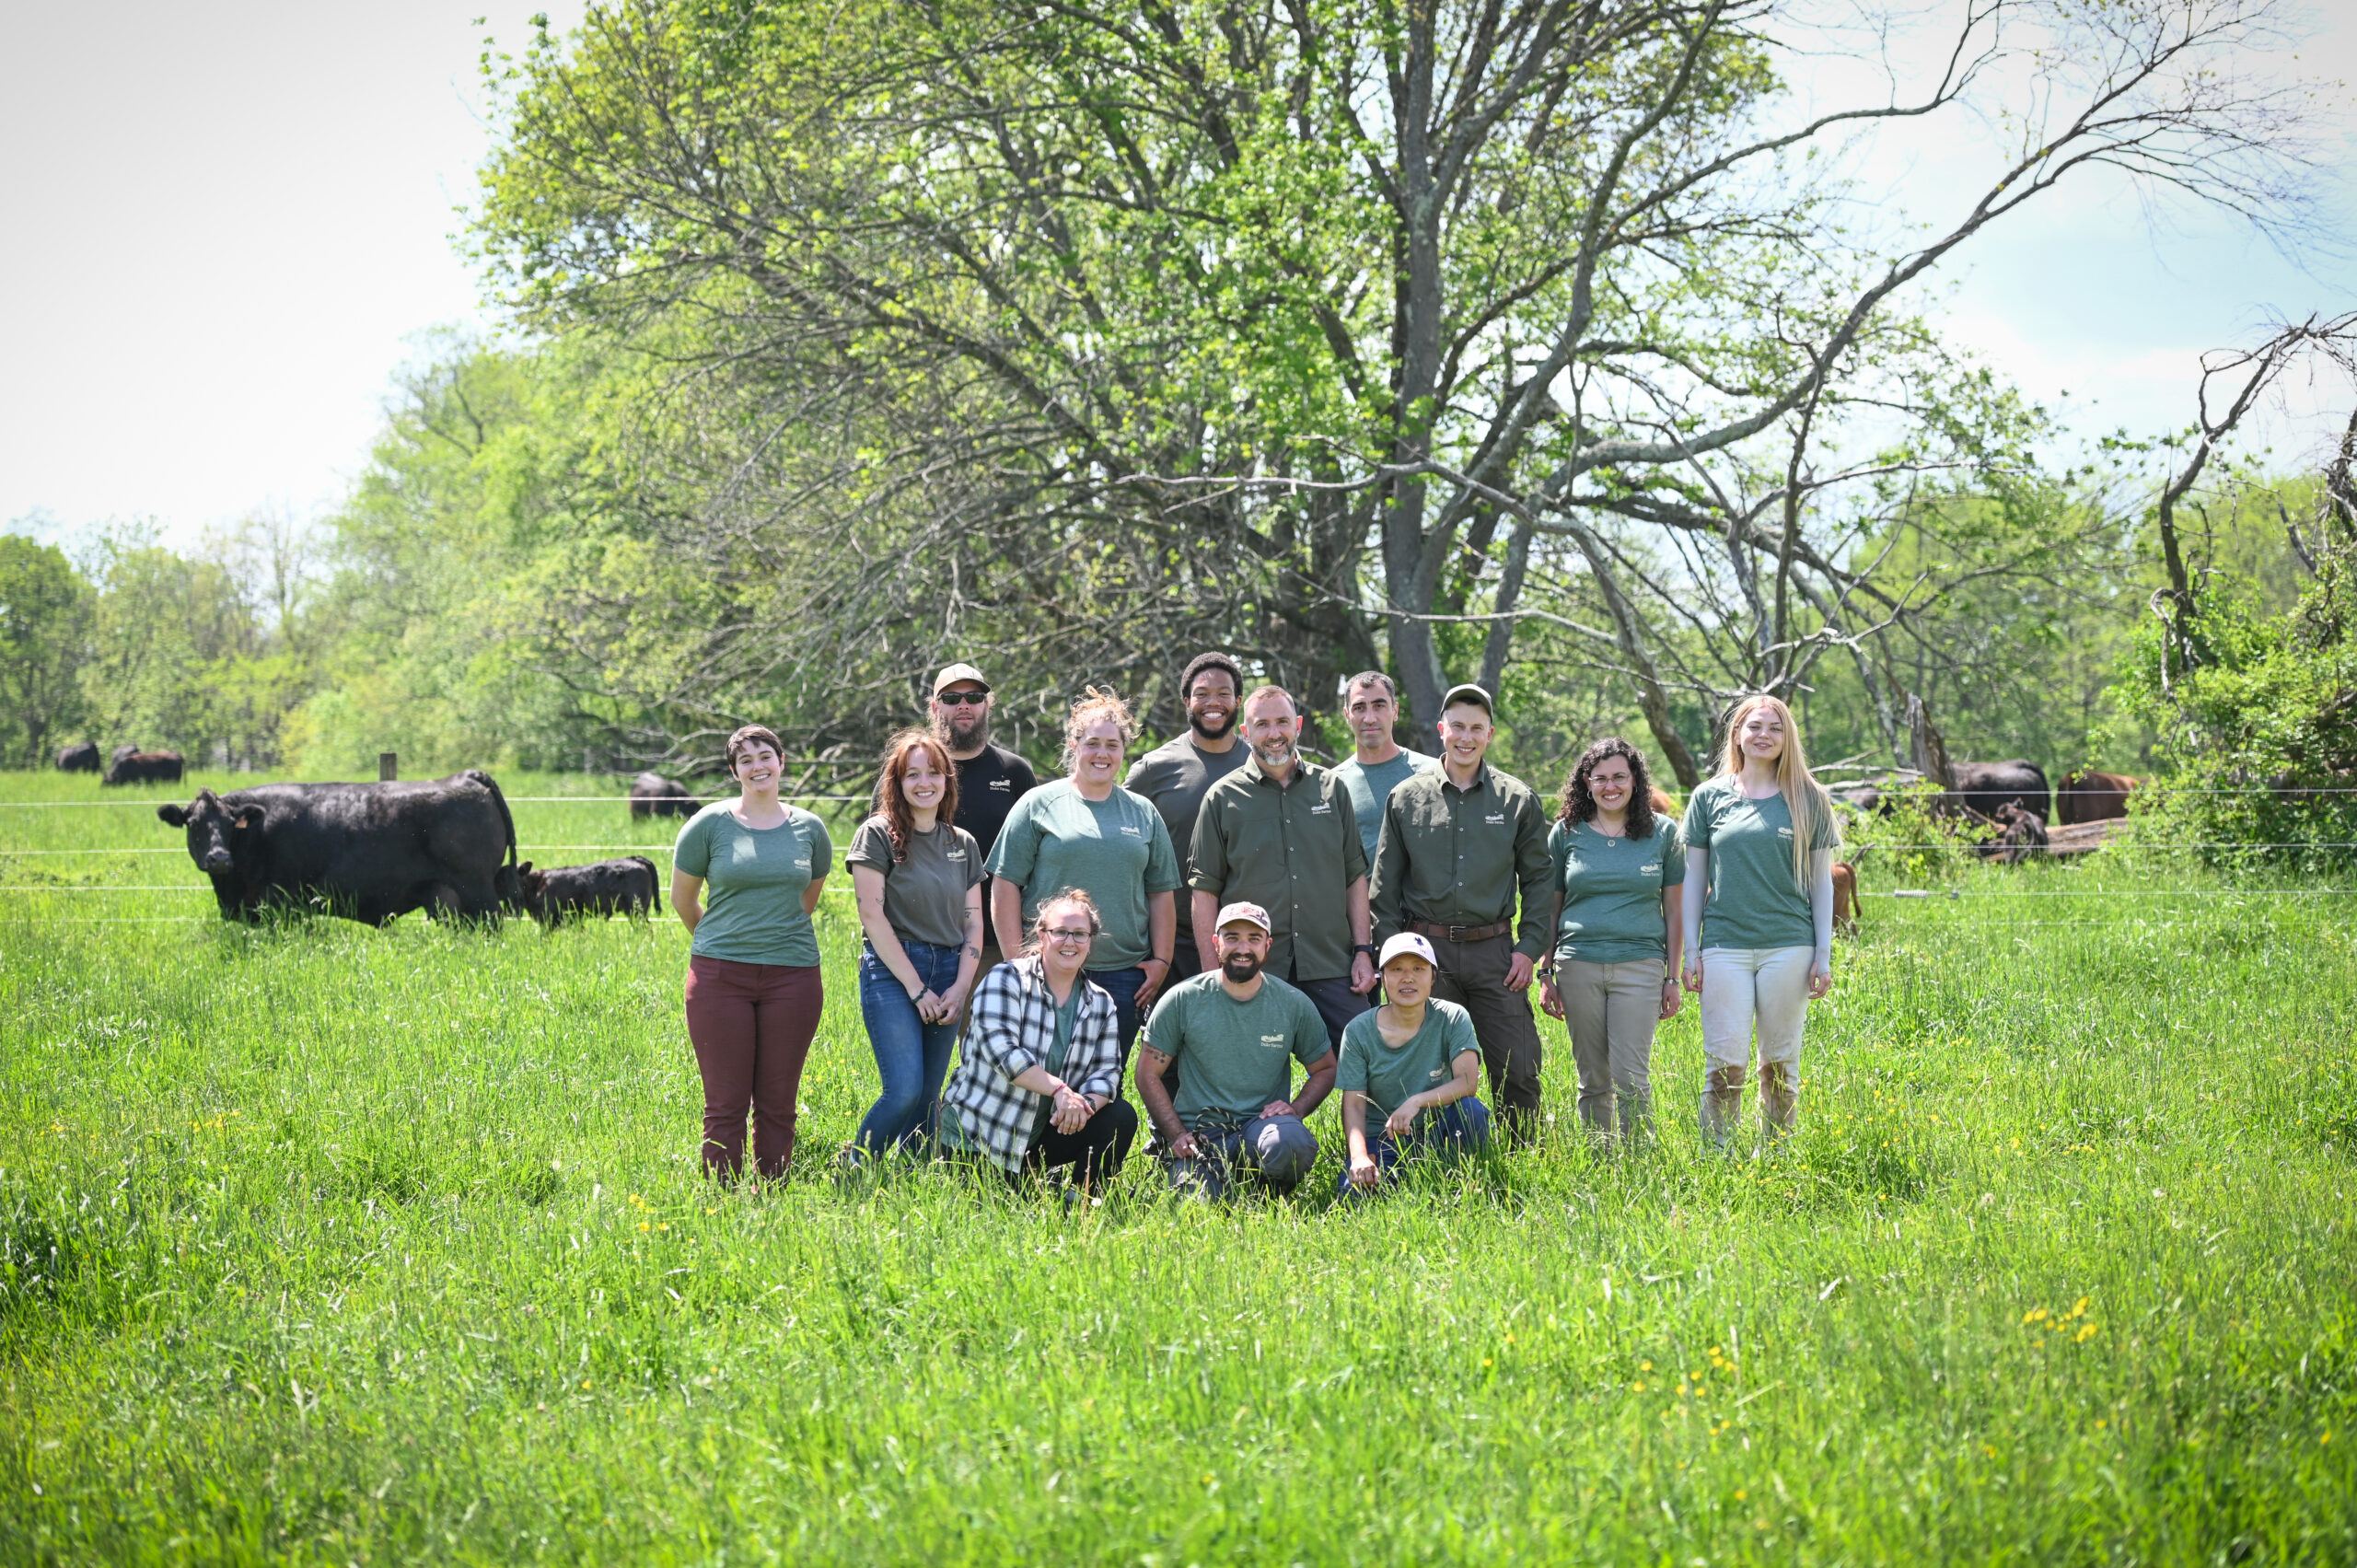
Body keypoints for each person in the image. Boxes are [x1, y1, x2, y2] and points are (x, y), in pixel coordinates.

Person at [1368, 682, 1552, 1146]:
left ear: (1489, 734)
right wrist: (1392, 961)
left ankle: (1521, 1157)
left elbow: (1540, 882)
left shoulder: (1517, 800)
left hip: (1495, 953)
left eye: (1476, 728)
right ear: (1441, 730)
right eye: (1457, 727)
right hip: (1427, 953)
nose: (1465, 737)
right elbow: (1384, 888)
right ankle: (1426, 1157)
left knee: (1518, 1065)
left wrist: (1529, 949)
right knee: (1426, 1065)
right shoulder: (1406, 798)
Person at [669, 724, 832, 1180]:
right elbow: (682, 900)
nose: (757, 766)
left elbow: (807, 899)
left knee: (779, 1103)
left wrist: (770, 937)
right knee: (725, 1102)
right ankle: (721, 1202)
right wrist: (719, 941)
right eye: (746, 760)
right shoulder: (708, 825)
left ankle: (773, 1195)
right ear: (734, 771)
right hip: (720, 979)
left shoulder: (811, 829)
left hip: (794, 977)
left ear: (781, 762)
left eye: (765, 756)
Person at [1678, 693, 1840, 1146]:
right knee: (1725, 1061)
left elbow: (1823, 884)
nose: (1764, 735)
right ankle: (1718, 1155)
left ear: (1788, 738)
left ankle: (1777, 1154)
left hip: (1789, 945)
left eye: (1775, 728)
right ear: (1737, 735)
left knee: (1782, 1061)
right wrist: (1692, 950)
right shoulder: (1709, 797)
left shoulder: (1809, 798)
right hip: (1724, 945)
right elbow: (1694, 878)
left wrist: (1822, 955)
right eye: (1755, 727)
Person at [986, 687, 1181, 1060]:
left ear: (1124, 751)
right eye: (1093, 743)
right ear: (1074, 745)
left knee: (1105, 1082)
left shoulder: (1143, 812)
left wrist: (1161, 961)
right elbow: (1005, 883)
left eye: (1112, 745)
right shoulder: (1039, 804)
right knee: (1039, 1073)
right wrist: (1017, 962)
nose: (1102, 754)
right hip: (1048, 967)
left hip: (1123, 975)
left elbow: (1160, 892)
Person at [1189, 684, 1376, 1048]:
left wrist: (1363, 953)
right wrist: (1215, 973)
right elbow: (1204, 891)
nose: (1274, 734)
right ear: (1245, 732)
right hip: (1253, 967)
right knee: (1251, 1075)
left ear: (1298, 725)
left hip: (1331, 963)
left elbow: (1355, 877)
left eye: (1282, 722)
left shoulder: (1332, 789)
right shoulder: (1222, 798)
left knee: (1369, 1059)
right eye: (1262, 725)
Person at [935, 889, 1139, 1193]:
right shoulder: (1005, 979)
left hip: (1042, 1133)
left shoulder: (1101, 1002)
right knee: (993, 1209)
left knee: (1120, 1116)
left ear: (1090, 940)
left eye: (1080, 934)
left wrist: (1080, 1106)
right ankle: (1020, 1181)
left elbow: (1107, 1074)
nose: (1070, 942)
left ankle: (1081, 1202)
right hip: (983, 1136)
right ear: (1042, 935)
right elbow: (1003, 1053)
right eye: (1060, 932)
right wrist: (1060, 1090)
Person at [843, 729, 984, 1164]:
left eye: (934, 773)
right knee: (903, 1090)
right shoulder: (878, 835)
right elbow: (872, 916)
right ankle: (856, 1166)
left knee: (926, 1097)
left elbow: (974, 923)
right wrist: (916, 988)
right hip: (894, 970)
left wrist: (960, 989)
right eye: (913, 775)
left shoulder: (962, 843)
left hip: (949, 974)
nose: (925, 783)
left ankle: (909, 1179)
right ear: (897, 783)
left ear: (947, 780)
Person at [1537, 738, 1685, 1144]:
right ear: (1586, 782)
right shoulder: (1565, 834)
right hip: (1578, 963)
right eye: (1600, 778)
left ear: (1635, 780)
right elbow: (1550, 910)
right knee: (1593, 1076)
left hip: (1640, 964)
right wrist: (1545, 971)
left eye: (1620, 776)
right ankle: (1600, 1163)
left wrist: (1673, 978)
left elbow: (1674, 912)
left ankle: (1639, 1165)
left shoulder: (1663, 834)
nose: (1610, 786)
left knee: (1630, 1074)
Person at [1137, 901, 1337, 1200]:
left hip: (1262, 1128)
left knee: (1292, 1142)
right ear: (1216, 944)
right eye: (1232, 938)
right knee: (1195, 1208)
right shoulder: (1183, 999)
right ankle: (1215, 1182)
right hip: (1201, 1134)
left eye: (1254, 939)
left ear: (1267, 946)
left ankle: (1268, 1195)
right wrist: (1176, 1134)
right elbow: (1146, 1074)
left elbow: (1325, 1068)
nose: (1242, 947)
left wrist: (1297, 1108)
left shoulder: (1292, 1003)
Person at [1124, 651, 1248, 982]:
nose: (1214, 702)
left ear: (1239, 700)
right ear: (1185, 701)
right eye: (1202, 694)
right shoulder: (1154, 769)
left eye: (1223, 694)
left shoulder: (1259, 764)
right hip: (1171, 941)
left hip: (1250, 938)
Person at [1336, 933, 1492, 1198]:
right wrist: (1360, 1156)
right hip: (1385, 1139)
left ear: (1433, 976)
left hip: (1438, 1132)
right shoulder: (1358, 1030)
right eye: (1397, 969)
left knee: (1471, 1111)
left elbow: (1468, 1082)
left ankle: (1461, 1180)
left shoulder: (1453, 1017)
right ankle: (1402, 1178)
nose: (1407, 978)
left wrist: (1417, 1101)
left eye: (1418, 969)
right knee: (1353, 1194)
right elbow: (1353, 1103)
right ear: (1382, 978)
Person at [929, 662, 1039, 973]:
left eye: (975, 697)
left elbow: (1037, 857)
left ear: (987, 705)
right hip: (924, 940)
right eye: (952, 699)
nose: (964, 705)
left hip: (997, 943)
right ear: (935, 707)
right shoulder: (912, 771)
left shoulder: (1014, 771)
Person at [1329, 670, 1439, 866]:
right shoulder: (1333, 784)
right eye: (1359, 708)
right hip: (1361, 897)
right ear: (1347, 715)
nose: (1370, 718)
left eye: (1379, 706)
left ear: (1395, 710)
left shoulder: (1432, 773)